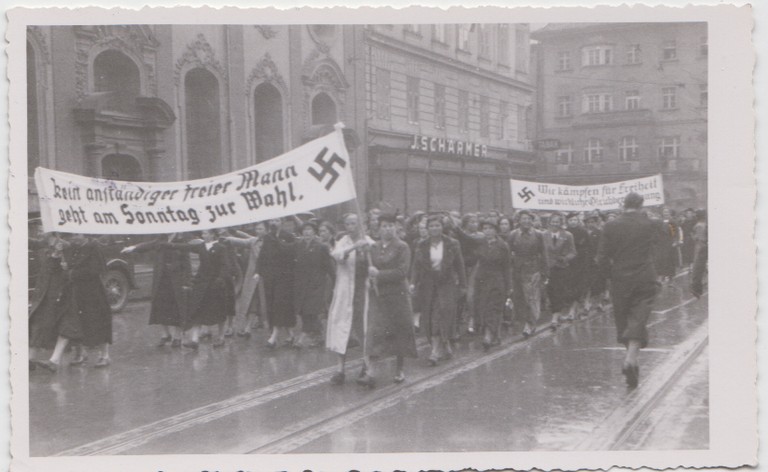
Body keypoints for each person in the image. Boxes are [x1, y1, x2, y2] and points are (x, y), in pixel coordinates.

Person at [596, 192, 661, 388]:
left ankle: (631, 358)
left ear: (624, 205)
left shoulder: (610, 225)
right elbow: (667, 236)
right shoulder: (650, 224)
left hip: (621, 277)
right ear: (641, 205)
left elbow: (602, 256)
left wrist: (609, 276)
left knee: (624, 318)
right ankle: (632, 359)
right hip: (644, 275)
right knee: (639, 316)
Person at [359, 214, 418, 387]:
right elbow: (367, 268)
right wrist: (367, 266)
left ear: (396, 228)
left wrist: (380, 274)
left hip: (397, 295)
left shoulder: (402, 247)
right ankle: (372, 372)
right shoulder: (373, 247)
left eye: (391, 226)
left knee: (399, 331)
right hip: (378, 296)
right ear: (379, 228)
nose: (387, 229)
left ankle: (399, 368)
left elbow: (402, 272)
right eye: (384, 226)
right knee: (376, 331)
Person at [410, 215, 466, 366]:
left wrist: (462, 285)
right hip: (428, 285)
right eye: (431, 226)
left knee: (441, 315)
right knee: (429, 317)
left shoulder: (452, 243)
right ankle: (445, 344)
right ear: (427, 229)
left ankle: (435, 352)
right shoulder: (422, 245)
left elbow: (460, 266)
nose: (434, 229)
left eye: (437, 226)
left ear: (442, 228)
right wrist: (413, 283)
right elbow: (416, 266)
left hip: (446, 284)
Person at [326, 213, 374, 385]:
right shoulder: (343, 241)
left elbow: (375, 261)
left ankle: (366, 365)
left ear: (360, 225)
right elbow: (337, 255)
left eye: (354, 223)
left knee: (364, 329)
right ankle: (340, 369)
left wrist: (367, 250)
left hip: (363, 291)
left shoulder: (368, 241)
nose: (350, 227)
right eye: (347, 224)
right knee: (341, 328)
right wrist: (353, 248)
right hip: (345, 293)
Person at [169, 229, 237, 349]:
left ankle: (221, 337)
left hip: (216, 284)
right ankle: (194, 340)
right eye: (203, 233)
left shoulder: (221, 248)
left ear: (212, 235)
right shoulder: (201, 246)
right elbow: (186, 247)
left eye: (206, 233)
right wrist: (170, 245)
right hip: (202, 283)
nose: (203, 235)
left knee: (219, 311)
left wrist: (220, 278)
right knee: (197, 309)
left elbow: (225, 265)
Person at [122, 233, 192, 347]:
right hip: (161, 278)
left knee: (177, 307)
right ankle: (165, 334)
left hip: (176, 280)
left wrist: (187, 282)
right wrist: (134, 248)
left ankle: (177, 336)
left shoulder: (182, 240)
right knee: (160, 305)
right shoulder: (161, 238)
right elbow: (149, 245)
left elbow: (187, 263)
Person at [28, 232, 72, 369]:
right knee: (37, 323)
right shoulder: (44, 243)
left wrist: (57, 257)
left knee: (58, 323)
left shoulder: (65, 246)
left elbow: (67, 270)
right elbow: (32, 242)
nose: (41, 230)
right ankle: (31, 359)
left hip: (56, 292)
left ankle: (70, 356)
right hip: (43, 291)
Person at [222, 222, 268, 338]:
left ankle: (272, 330)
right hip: (253, 276)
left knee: (265, 302)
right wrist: (227, 238)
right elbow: (242, 241)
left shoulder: (272, 242)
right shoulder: (254, 241)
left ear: (266, 230)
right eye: (257, 229)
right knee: (251, 301)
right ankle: (247, 328)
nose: (258, 231)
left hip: (267, 277)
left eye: (261, 229)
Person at [507, 210, 548, 338]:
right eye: (523, 219)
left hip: (533, 269)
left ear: (532, 221)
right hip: (517, 269)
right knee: (520, 298)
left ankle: (530, 324)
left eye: (528, 219)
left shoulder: (538, 234)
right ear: (518, 221)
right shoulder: (513, 234)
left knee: (531, 297)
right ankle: (524, 322)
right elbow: (508, 253)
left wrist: (545, 271)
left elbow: (544, 253)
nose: (526, 221)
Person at [294, 221, 335, 348]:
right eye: (304, 230)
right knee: (303, 311)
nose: (307, 232)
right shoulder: (298, 245)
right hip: (301, 284)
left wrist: (335, 281)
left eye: (309, 229)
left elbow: (328, 266)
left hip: (316, 284)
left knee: (310, 310)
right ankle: (319, 335)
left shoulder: (321, 247)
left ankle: (302, 337)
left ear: (314, 232)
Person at [259, 218, 298, 348]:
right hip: (270, 277)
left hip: (285, 276)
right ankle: (291, 335)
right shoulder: (267, 237)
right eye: (271, 221)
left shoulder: (288, 236)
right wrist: (258, 271)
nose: (273, 223)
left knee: (279, 304)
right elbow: (262, 255)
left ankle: (274, 337)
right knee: (273, 305)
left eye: (276, 220)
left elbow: (290, 252)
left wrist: (278, 241)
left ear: (281, 222)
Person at [473, 220, 511, 350]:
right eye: (485, 228)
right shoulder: (480, 243)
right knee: (483, 307)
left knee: (493, 308)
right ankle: (495, 335)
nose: (487, 231)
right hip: (482, 280)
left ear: (496, 230)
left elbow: (507, 267)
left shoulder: (502, 246)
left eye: (490, 228)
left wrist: (508, 286)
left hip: (497, 280)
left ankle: (488, 336)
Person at [543, 213, 576, 330]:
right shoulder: (544, 235)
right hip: (548, 267)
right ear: (549, 222)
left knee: (559, 291)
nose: (555, 224)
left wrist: (565, 258)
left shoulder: (567, 235)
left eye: (557, 222)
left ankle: (555, 317)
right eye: (553, 221)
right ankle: (557, 314)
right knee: (551, 292)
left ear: (561, 223)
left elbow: (573, 252)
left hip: (562, 268)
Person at [566, 212, 591, 319]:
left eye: (575, 220)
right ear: (568, 221)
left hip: (581, 261)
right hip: (568, 262)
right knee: (570, 285)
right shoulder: (565, 232)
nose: (573, 222)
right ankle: (573, 307)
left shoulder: (583, 231)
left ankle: (577, 307)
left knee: (580, 284)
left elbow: (589, 246)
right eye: (571, 220)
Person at [655, 208, 681, 285]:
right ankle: (662, 276)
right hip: (662, 243)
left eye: (667, 212)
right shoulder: (660, 221)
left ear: (670, 213)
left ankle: (671, 278)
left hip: (669, 243)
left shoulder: (672, 222)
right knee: (662, 259)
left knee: (670, 260)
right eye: (664, 212)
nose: (665, 213)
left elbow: (675, 232)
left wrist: (675, 241)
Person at [690, 210, 708, 298]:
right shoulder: (703, 224)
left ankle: (696, 289)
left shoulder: (699, 226)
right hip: (703, 247)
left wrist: (693, 237)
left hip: (701, 249)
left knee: (697, 269)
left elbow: (701, 239)